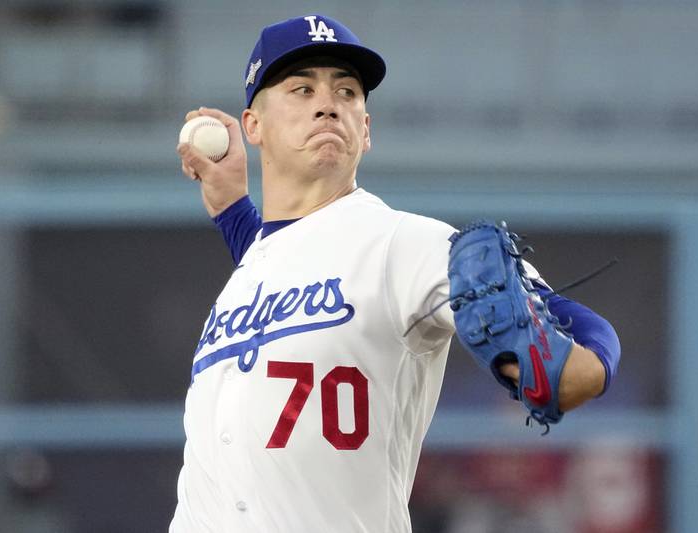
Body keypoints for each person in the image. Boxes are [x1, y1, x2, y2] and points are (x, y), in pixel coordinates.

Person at [171, 14, 620, 533]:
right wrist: (231, 207)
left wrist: (594, 361)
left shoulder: (404, 245)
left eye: (346, 92)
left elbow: (581, 346)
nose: (327, 103)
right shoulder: (255, 265)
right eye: (301, 89)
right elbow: (289, 255)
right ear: (253, 126)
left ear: (365, 129)